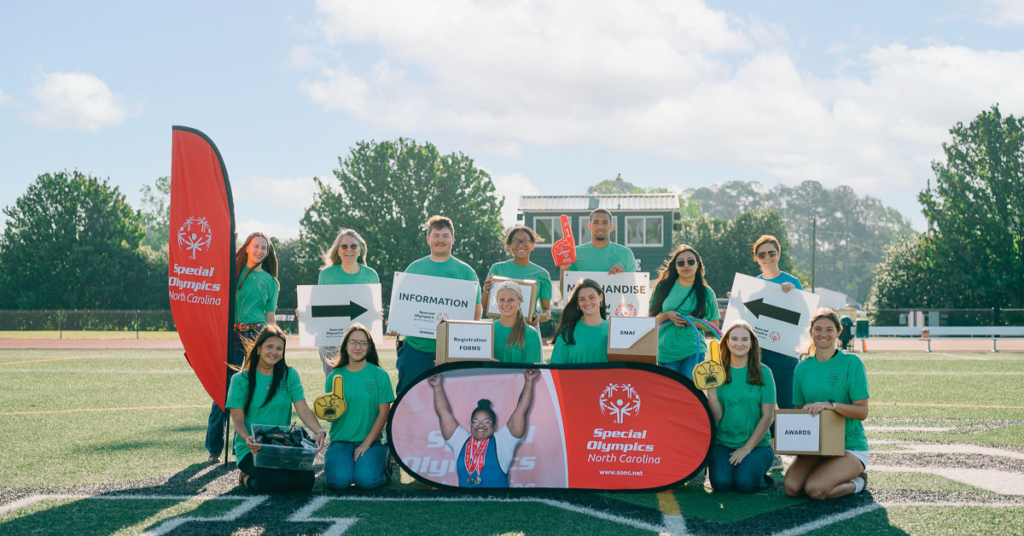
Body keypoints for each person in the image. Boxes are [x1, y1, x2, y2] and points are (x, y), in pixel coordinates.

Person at [206, 232, 280, 463]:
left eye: (264, 248)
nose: (259, 251)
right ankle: (214, 448)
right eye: (256, 246)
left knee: (252, 391)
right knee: (225, 391)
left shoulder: (271, 282)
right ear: (247, 247)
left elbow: (270, 317)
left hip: (258, 336)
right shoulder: (232, 272)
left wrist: (275, 342)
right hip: (233, 337)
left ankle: (243, 447)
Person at [226, 325, 326, 493]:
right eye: (269, 347)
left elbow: (303, 409)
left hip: (282, 446)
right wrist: (248, 438)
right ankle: (245, 477)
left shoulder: (290, 375)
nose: (274, 352)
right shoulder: (240, 380)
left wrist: (319, 430)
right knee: (277, 483)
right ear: (259, 348)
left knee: (305, 482)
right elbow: (237, 420)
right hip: (252, 448)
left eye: (279, 348)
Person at [784, 308, 870, 500]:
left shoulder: (852, 362)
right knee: (791, 487)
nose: (823, 334)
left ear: (838, 332)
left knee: (815, 490)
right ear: (811, 332)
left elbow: (862, 412)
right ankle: (824, 470)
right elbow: (799, 412)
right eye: (818, 329)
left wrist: (831, 406)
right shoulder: (802, 368)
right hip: (816, 446)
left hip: (849, 446)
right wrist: (804, 412)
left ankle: (858, 482)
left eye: (829, 329)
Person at [391, 215, 482, 394]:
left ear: (453, 239)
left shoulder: (466, 272)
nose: (440, 240)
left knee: (450, 403)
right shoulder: (414, 269)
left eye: (445, 236)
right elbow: (401, 305)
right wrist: (396, 323)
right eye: (436, 235)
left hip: (452, 353)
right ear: (428, 239)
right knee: (408, 400)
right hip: (416, 350)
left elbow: (476, 313)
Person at [428, 369, 539, 487]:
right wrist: (437, 386)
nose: (480, 425)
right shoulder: (460, 441)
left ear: (494, 425)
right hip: (466, 503)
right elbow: (443, 413)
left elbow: (521, 410)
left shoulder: (503, 441)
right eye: (475, 422)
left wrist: (528, 382)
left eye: (486, 422)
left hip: (497, 504)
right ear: (470, 425)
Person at [750, 234, 803, 470]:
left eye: (771, 252)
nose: (767, 257)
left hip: (785, 353)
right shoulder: (753, 285)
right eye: (762, 254)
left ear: (779, 254)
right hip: (760, 354)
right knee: (766, 404)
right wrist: (738, 301)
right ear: (757, 259)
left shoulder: (793, 282)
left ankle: (802, 451)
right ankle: (773, 454)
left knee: (788, 403)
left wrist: (793, 294)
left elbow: (801, 316)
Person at [706, 321, 777, 493]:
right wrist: (712, 394)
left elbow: (768, 416)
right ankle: (734, 470)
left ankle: (759, 477)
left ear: (752, 344)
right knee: (721, 484)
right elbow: (717, 418)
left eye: (745, 339)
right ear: (727, 342)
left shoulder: (764, 372)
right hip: (723, 443)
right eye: (735, 339)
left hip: (757, 445)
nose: (739, 343)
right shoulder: (716, 371)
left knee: (745, 483)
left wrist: (747, 448)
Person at [323, 323, 395, 490]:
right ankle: (336, 469)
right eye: (353, 342)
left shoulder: (379, 375)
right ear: (345, 346)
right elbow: (331, 415)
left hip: (370, 441)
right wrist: (328, 412)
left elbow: (384, 414)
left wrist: (365, 444)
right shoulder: (334, 376)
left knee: (366, 480)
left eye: (363, 343)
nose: (358, 347)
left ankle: (385, 463)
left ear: (369, 347)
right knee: (339, 482)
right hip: (340, 442)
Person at [316, 228, 381, 376]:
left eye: (353, 246)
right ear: (338, 251)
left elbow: (374, 307)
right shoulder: (326, 275)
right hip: (331, 338)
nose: (348, 250)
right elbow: (320, 307)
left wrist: (377, 313)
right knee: (334, 381)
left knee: (361, 381)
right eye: (344, 246)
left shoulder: (371, 275)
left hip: (361, 338)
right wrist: (307, 314)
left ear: (360, 250)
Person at [649, 245, 720, 379]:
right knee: (670, 395)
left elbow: (714, 324)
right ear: (675, 266)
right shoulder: (663, 287)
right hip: (666, 351)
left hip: (693, 350)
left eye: (691, 261)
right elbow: (649, 320)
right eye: (680, 263)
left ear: (698, 265)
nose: (685, 265)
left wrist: (694, 322)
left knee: (690, 393)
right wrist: (667, 315)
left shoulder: (707, 293)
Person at [483, 226, 552, 327]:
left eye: (525, 241)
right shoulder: (497, 269)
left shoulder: (542, 274)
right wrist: (486, 290)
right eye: (515, 241)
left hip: (528, 328)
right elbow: (486, 307)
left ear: (532, 245)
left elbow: (547, 312)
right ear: (510, 245)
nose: (520, 245)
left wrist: (538, 317)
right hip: (501, 328)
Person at [550, 279, 609, 364]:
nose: (587, 302)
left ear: (601, 297)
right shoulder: (567, 332)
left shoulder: (613, 331)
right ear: (578, 302)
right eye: (582, 299)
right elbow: (556, 370)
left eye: (591, 297)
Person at [564, 208, 637, 274]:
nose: (600, 227)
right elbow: (566, 287)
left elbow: (634, 287)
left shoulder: (626, 254)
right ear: (590, 226)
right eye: (596, 222)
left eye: (605, 223)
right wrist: (562, 270)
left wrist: (624, 277)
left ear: (611, 226)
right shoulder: (574, 254)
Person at [491, 281, 542, 363]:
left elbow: (531, 374)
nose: (505, 304)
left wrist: (499, 368)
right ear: (497, 300)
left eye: (511, 300)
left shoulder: (531, 334)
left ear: (520, 301)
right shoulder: (487, 331)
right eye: (502, 300)